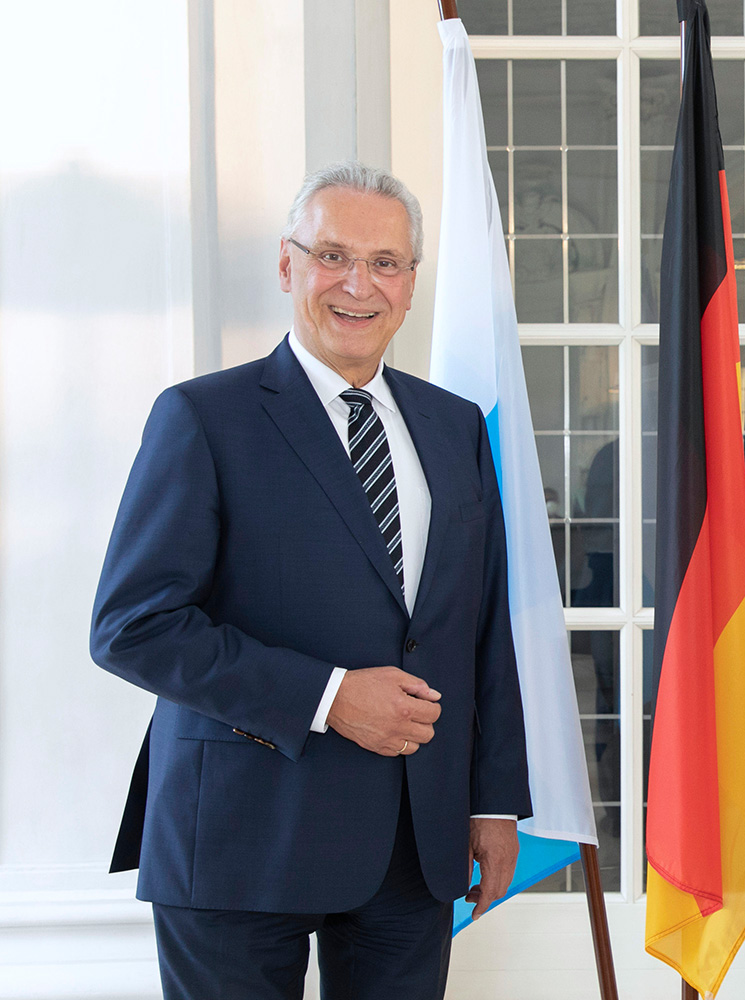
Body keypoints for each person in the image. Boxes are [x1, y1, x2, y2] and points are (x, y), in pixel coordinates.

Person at [91, 162, 531, 1000]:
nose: (358, 284)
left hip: (413, 841)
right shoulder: (201, 418)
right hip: (238, 840)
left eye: (385, 262)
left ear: (409, 283)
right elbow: (132, 627)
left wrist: (495, 801)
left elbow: (480, 627)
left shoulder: (454, 427)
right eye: (333, 255)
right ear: (288, 266)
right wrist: (329, 696)